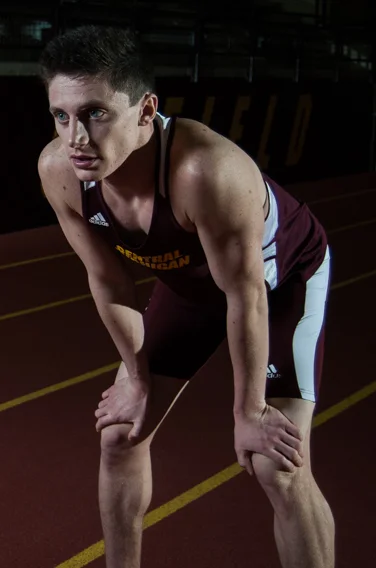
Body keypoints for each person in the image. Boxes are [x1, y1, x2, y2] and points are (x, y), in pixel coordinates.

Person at [35, 25, 335, 568]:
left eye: (96, 114)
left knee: (277, 465)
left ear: (147, 110)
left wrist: (249, 412)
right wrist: (137, 377)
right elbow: (110, 283)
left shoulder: (207, 171)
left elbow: (245, 295)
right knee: (122, 434)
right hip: (193, 286)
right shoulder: (59, 172)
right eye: (62, 116)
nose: (75, 137)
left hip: (279, 282)